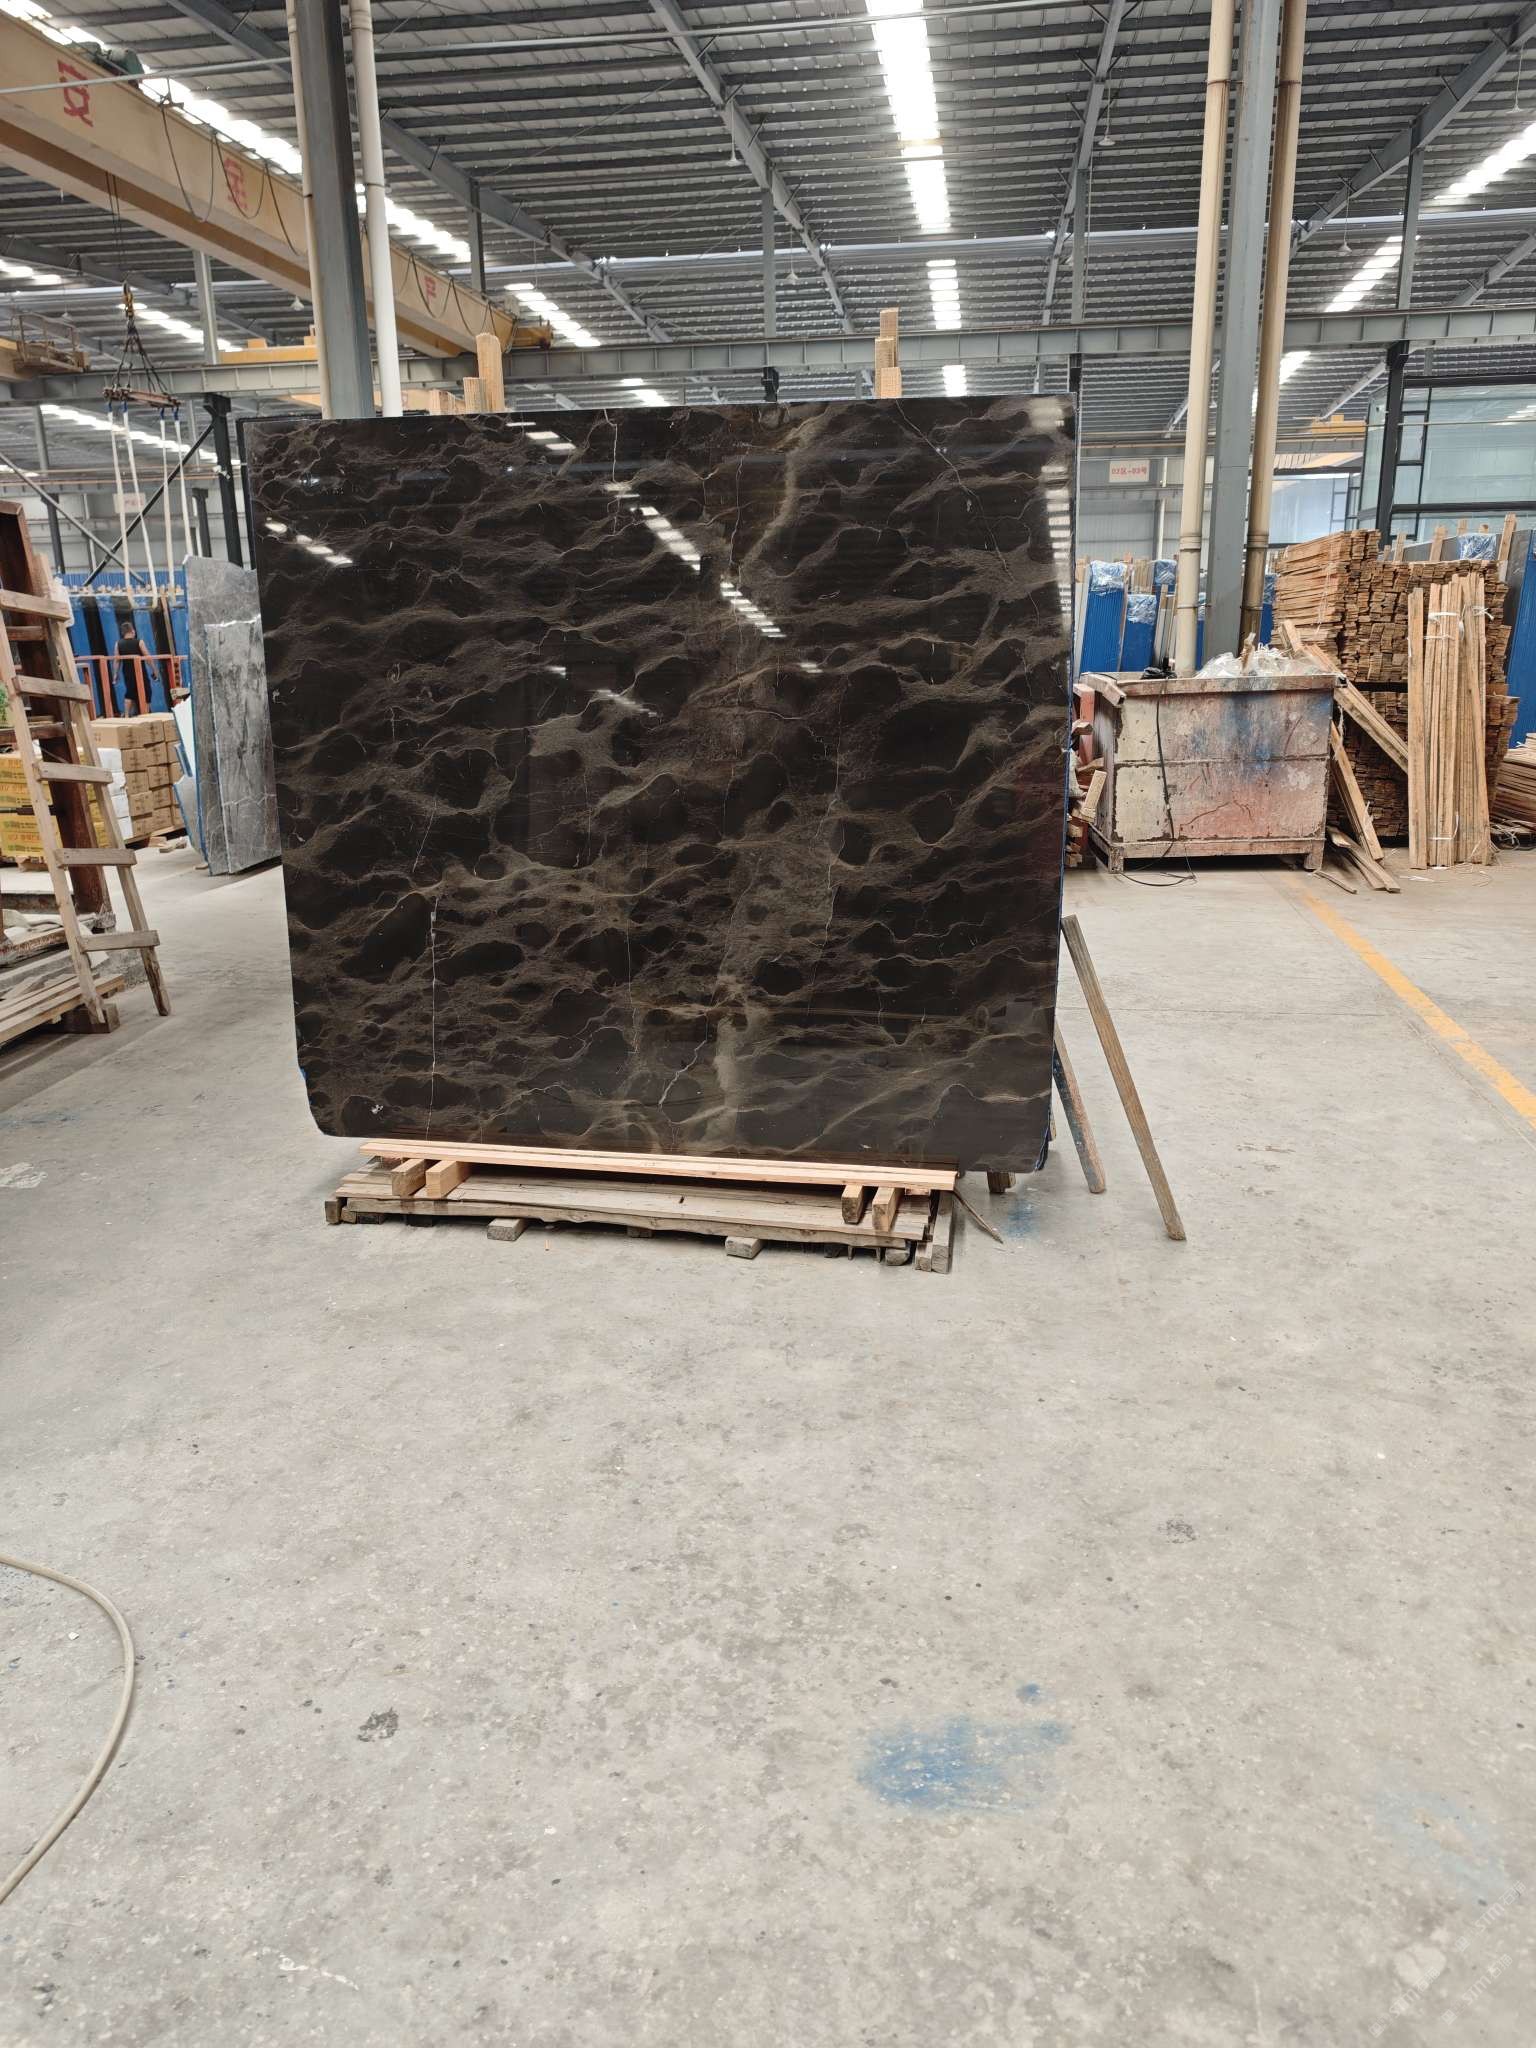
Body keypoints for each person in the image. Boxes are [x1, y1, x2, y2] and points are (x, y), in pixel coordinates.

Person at [112, 624, 161, 715]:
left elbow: (117, 660)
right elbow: (148, 658)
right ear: (133, 631)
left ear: (123, 633)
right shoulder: (139, 642)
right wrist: (154, 670)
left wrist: (115, 674)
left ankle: (126, 715)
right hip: (140, 672)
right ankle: (146, 713)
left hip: (127, 672)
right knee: (147, 691)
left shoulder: (118, 644)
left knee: (130, 692)